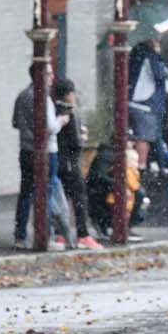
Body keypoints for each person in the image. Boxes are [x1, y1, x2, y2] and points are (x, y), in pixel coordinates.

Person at [12, 70, 71, 251]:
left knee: (25, 192)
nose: (52, 77)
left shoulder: (22, 96)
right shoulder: (43, 98)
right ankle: (46, 234)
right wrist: (61, 120)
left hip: (25, 150)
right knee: (46, 193)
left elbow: (15, 122)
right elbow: (51, 127)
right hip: (46, 151)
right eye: (49, 74)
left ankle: (20, 235)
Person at [53, 78, 102, 251]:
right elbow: (75, 141)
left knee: (63, 198)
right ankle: (83, 234)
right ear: (68, 94)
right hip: (70, 162)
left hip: (59, 160)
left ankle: (61, 234)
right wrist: (82, 138)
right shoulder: (69, 113)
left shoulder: (54, 110)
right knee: (79, 197)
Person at [128, 25, 168, 176]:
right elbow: (159, 76)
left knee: (149, 136)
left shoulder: (141, 53)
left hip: (142, 103)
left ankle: (153, 165)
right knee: (144, 137)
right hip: (144, 104)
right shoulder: (150, 56)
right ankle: (142, 167)